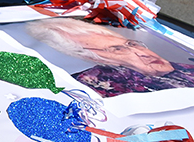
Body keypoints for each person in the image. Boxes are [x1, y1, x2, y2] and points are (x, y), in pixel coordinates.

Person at [25, 17, 194, 98]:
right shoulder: (97, 87)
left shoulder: (186, 69)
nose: (141, 52)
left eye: (131, 44)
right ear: (97, 60)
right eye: (117, 50)